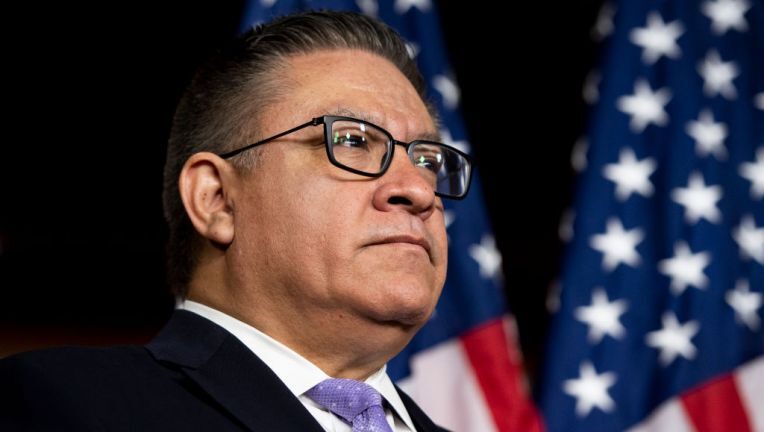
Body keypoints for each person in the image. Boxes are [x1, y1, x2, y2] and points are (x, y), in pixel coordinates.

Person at [0, 10, 472, 432]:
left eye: (427, 161)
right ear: (217, 199)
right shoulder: (63, 405)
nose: (418, 190)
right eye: (351, 140)